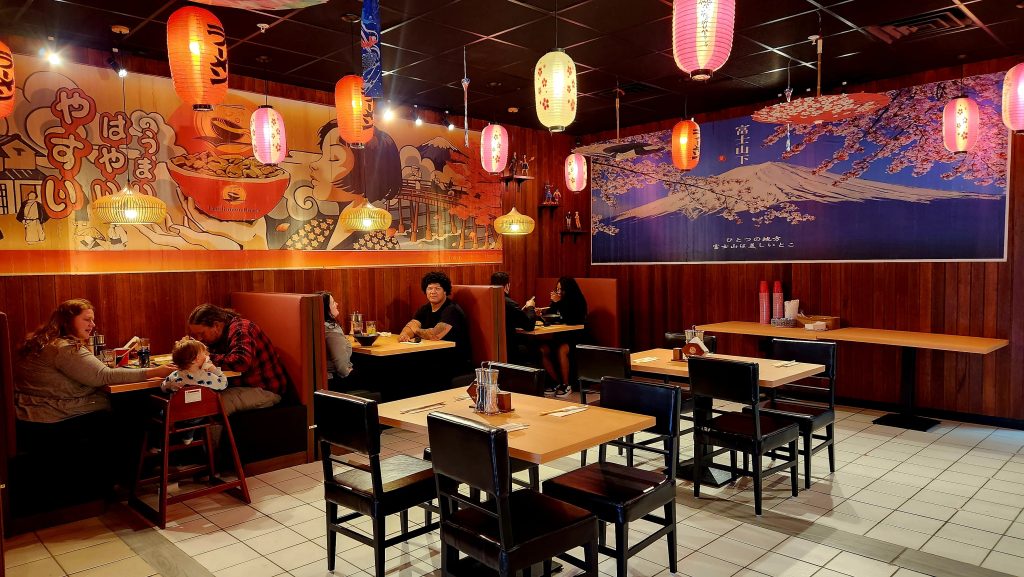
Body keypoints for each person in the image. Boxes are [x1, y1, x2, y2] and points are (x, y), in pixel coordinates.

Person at [13, 299, 175, 498]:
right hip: (52, 416)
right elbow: (103, 376)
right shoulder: (64, 348)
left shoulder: (42, 340)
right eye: (87, 320)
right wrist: (154, 372)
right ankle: (127, 479)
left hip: (29, 412)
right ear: (68, 321)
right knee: (133, 414)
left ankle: (138, 470)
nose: (93, 325)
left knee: (129, 407)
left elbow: (91, 374)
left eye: (93, 320)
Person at [187, 304, 289, 413]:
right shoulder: (218, 335)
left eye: (202, 334)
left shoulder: (241, 329)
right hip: (241, 385)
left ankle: (212, 430)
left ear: (216, 325)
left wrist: (204, 358)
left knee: (216, 403)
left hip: (266, 390)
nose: (199, 339)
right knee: (198, 395)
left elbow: (241, 362)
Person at [399, 271, 471, 374]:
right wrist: (404, 335)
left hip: (453, 361)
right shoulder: (425, 309)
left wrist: (415, 330)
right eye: (430, 288)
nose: (433, 292)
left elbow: (435, 335)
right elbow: (410, 326)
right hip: (433, 357)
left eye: (437, 288)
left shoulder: (451, 310)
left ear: (445, 291)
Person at [539, 277, 588, 396]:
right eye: (557, 289)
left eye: (562, 289)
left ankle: (566, 384)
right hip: (560, 336)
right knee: (542, 349)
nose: (559, 292)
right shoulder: (559, 300)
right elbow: (553, 313)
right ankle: (556, 382)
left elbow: (573, 320)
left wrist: (559, 302)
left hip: (576, 337)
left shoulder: (578, 300)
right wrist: (541, 312)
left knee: (562, 349)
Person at [490, 271, 536, 364]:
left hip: (491, 349)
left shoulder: (486, 300)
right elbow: (529, 326)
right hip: (509, 349)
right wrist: (531, 307)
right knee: (538, 349)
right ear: (507, 286)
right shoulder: (509, 304)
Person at [160, 337, 227, 393]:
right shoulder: (208, 377)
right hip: (204, 408)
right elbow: (224, 383)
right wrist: (214, 369)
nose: (207, 355)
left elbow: (163, 388)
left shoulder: (173, 376)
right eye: (205, 354)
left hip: (182, 409)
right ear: (196, 359)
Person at [316, 291, 353, 386]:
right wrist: (347, 371)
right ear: (326, 309)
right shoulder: (331, 330)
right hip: (334, 379)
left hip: (323, 378)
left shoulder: (318, 325)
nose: (337, 304)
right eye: (333, 303)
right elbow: (340, 365)